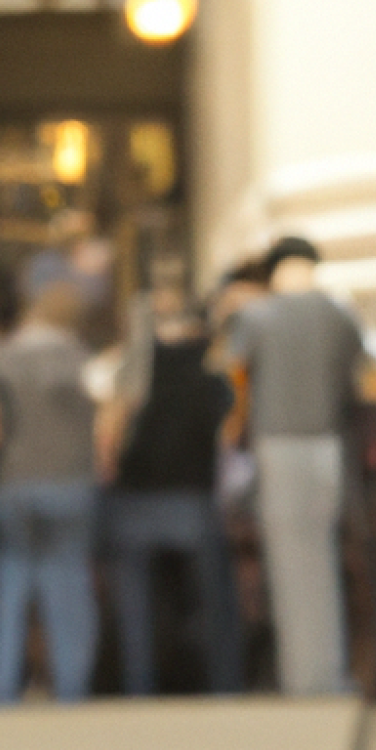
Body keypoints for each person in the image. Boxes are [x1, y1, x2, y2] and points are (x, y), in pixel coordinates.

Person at [227, 237, 369, 695]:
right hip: (327, 444)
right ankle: (329, 671)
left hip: (278, 444)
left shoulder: (256, 317)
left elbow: (235, 379)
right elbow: (358, 377)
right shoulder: (340, 315)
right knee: (324, 557)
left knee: (291, 564)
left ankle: (300, 675)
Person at [104, 285, 245, 695]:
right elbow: (230, 434)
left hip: (134, 497)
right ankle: (225, 685)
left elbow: (111, 434)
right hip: (191, 498)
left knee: (135, 608)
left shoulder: (130, 368)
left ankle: (138, 686)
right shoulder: (212, 372)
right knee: (214, 601)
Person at [0, 281, 100, 702]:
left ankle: (3, 684)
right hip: (69, 481)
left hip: (13, 480)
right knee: (68, 584)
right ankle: (71, 684)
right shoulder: (83, 362)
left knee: (11, 582)